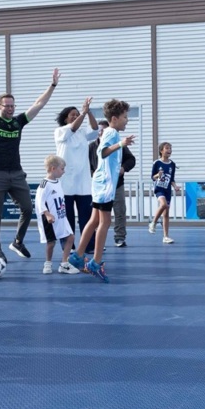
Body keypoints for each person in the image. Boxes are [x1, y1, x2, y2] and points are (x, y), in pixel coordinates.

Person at [0, 52, 60, 262]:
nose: (10, 108)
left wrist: (52, 86)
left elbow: (39, 104)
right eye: (6, 105)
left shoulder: (18, 122)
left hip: (16, 173)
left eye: (12, 105)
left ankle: (17, 241)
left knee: (27, 208)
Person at [67, 99, 135, 282]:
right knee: (104, 222)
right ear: (114, 118)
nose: (127, 120)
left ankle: (77, 255)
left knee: (94, 219)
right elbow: (103, 152)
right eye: (125, 117)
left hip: (101, 182)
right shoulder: (112, 133)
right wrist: (122, 144)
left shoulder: (110, 132)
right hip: (105, 184)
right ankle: (95, 263)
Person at [54, 98, 100, 254]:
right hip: (65, 181)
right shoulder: (61, 131)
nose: (75, 117)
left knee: (86, 216)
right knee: (67, 217)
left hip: (83, 181)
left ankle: (88, 245)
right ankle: (69, 246)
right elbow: (73, 127)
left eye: (77, 114)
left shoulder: (82, 132)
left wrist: (89, 112)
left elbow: (94, 129)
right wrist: (83, 113)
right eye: (72, 115)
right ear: (66, 118)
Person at [89, 119, 136, 248]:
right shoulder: (92, 146)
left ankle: (119, 237)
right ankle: (93, 246)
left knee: (118, 212)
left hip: (116, 184)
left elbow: (131, 159)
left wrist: (123, 168)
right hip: (101, 185)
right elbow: (101, 154)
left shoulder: (116, 141)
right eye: (99, 131)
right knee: (97, 219)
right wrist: (92, 172)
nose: (102, 132)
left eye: (104, 130)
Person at [35, 155, 79, 275]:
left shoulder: (58, 182)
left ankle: (64, 264)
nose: (63, 171)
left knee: (70, 237)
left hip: (61, 216)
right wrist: (47, 214)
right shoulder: (44, 184)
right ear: (53, 168)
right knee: (51, 242)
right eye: (62, 169)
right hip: (50, 219)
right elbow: (39, 201)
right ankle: (48, 263)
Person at [148, 142, 182, 244]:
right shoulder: (157, 163)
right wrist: (158, 175)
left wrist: (175, 186)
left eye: (170, 148)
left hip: (167, 190)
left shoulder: (172, 164)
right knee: (163, 204)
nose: (169, 150)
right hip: (159, 188)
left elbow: (172, 179)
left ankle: (166, 236)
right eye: (167, 148)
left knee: (166, 213)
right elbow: (152, 177)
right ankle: (153, 223)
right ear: (161, 150)